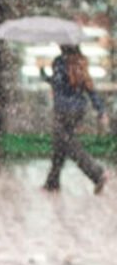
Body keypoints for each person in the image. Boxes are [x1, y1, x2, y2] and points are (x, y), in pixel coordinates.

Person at [40, 45, 111, 194]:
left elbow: (57, 83)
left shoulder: (59, 62)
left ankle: (97, 174)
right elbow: (91, 90)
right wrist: (101, 111)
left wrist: (43, 71)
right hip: (78, 111)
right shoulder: (81, 63)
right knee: (60, 143)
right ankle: (52, 182)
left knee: (69, 146)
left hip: (63, 110)